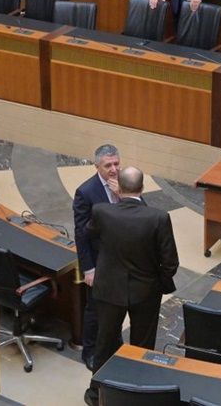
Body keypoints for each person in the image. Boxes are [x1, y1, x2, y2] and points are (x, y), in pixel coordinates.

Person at [88, 167, 179, 381]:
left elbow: (90, 234)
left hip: (109, 289)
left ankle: (95, 391)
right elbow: (170, 262)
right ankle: (138, 387)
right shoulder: (159, 218)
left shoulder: (102, 212)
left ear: (118, 187)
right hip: (146, 292)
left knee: (104, 343)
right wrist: (159, 284)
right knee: (143, 346)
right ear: (143, 188)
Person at [71, 144, 122, 370]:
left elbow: (141, 210)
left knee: (117, 305)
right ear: (97, 166)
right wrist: (88, 269)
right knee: (94, 308)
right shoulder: (86, 192)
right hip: (99, 260)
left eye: (116, 164)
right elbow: (81, 234)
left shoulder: (125, 183)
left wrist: (122, 195)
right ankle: (90, 351)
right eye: (108, 165)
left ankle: (116, 342)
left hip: (121, 258)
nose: (114, 169)